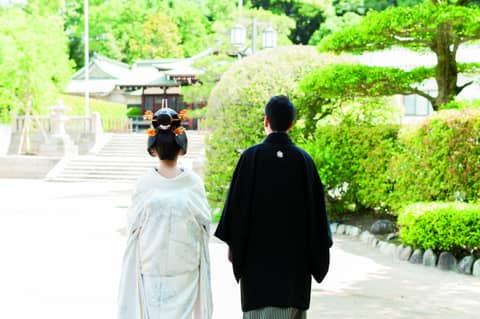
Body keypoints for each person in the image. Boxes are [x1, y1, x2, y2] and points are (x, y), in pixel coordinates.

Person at [214, 95, 332, 319]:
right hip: (294, 274)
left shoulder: (250, 158)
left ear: (266, 121)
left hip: (257, 275)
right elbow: (317, 219)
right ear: (292, 124)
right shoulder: (304, 161)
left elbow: (236, 213)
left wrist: (235, 248)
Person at [118, 107, 213, 319]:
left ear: (153, 149)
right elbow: (205, 224)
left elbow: (132, 227)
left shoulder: (144, 184)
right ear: (182, 147)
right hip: (185, 268)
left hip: (152, 267)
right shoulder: (193, 183)